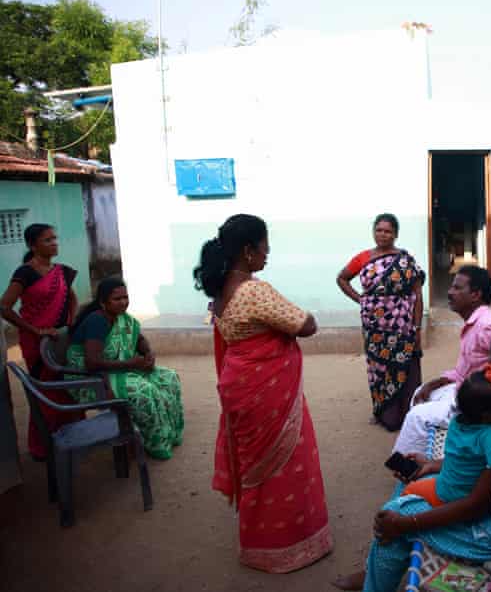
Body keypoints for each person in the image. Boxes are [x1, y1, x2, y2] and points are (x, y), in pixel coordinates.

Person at [334, 334, 491, 592]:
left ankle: (376, 582)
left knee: (398, 515)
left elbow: (477, 505)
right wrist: (431, 465)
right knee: (410, 489)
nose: (485, 370)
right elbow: (479, 463)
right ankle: (379, 572)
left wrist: (408, 524)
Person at [194, 213, 333, 573]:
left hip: (240, 385)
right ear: (248, 251)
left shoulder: (221, 289)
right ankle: (291, 546)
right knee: (287, 463)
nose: (268, 253)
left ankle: (258, 545)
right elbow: (306, 325)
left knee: (257, 467)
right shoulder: (254, 290)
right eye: (264, 246)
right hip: (268, 394)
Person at [391, 265, 491, 456]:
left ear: (475, 295)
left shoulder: (488, 327)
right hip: (464, 389)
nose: (449, 292)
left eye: (457, 288)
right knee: (420, 393)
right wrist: (433, 384)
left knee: (416, 417)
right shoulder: (475, 322)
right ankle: (424, 456)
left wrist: (475, 400)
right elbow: (462, 372)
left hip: (477, 402)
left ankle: (407, 469)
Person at [66, 277, 184, 460]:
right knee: (144, 391)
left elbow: (139, 339)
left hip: (117, 368)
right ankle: (153, 442)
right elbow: (92, 363)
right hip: (91, 378)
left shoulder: (123, 319)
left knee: (169, 378)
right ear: (103, 302)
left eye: (125, 297)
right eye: (117, 299)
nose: (123, 302)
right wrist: (130, 364)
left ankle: (169, 434)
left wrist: (148, 353)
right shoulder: (97, 321)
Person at [0, 223, 82, 459]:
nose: (54, 243)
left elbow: (72, 298)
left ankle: (73, 437)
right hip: (36, 343)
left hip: (60, 340)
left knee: (67, 387)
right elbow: (5, 307)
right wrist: (35, 330)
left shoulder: (62, 271)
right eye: (47, 240)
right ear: (32, 245)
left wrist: (70, 325)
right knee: (43, 393)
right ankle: (43, 445)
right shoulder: (24, 273)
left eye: (55, 238)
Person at [337, 213, 425, 431]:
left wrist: (417, 326)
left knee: (406, 364)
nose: (383, 235)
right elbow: (342, 278)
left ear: (395, 234)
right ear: (373, 232)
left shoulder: (405, 259)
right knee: (378, 367)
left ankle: (408, 412)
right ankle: (383, 412)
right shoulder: (363, 258)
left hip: (402, 324)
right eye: (379, 230)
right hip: (374, 327)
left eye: (387, 231)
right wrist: (361, 299)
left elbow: (418, 295)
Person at [402, 367, 491, 507]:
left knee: (406, 491)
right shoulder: (489, 435)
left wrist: (430, 465)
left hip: (444, 489)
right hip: (465, 500)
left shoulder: (456, 423)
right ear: (487, 415)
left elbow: (460, 459)